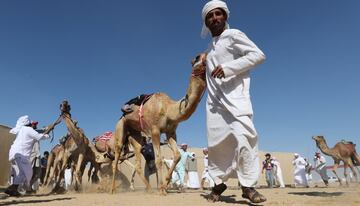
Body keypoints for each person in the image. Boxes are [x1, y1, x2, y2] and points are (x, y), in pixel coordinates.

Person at [200, 0, 266, 203]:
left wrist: (229, 68)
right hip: (215, 105)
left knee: (244, 138)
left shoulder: (233, 35)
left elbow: (258, 55)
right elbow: (210, 63)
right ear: (206, 22)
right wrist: (203, 59)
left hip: (236, 101)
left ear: (225, 16)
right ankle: (219, 184)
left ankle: (248, 186)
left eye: (218, 14)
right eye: (210, 16)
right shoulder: (210, 48)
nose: (214, 18)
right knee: (218, 146)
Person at [5, 115, 50, 196]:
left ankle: (13, 190)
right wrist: (48, 135)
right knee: (27, 173)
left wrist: (45, 130)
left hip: (14, 154)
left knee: (18, 174)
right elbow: (39, 137)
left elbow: (37, 132)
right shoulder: (28, 129)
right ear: (29, 123)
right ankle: (12, 188)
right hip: (21, 154)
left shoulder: (22, 129)